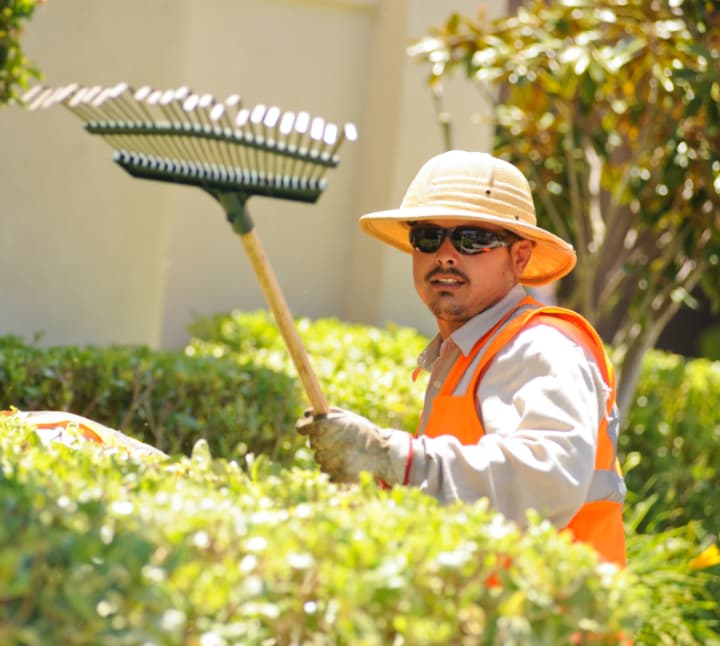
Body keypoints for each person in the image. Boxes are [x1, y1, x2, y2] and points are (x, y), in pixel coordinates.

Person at [296, 150, 626, 567]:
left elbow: (547, 478)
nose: (446, 255)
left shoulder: (541, 346)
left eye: (472, 238)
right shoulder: (465, 352)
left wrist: (391, 455)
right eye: (428, 237)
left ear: (520, 257)